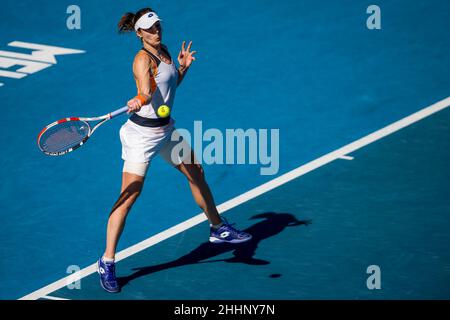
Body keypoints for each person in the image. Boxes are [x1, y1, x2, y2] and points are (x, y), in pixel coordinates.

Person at [97, 7, 252, 293]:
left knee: (196, 172)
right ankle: (107, 261)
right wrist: (138, 99)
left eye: (158, 26)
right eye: (151, 28)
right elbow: (146, 91)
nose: (157, 31)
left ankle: (217, 228)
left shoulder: (165, 50)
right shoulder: (141, 59)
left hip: (165, 130)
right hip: (141, 136)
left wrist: (182, 68)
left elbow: (168, 87)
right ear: (139, 33)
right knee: (129, 196)